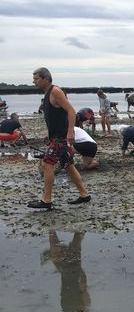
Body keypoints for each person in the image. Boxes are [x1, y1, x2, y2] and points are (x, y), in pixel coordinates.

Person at [28, 67, 91, 209]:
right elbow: (56, 117)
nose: (34, 81)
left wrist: (70, 132)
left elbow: (71, 111)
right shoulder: (47, 94)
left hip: (61, 138)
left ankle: (46, 200)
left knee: (47, 164)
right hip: (56, 136)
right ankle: (84, 195)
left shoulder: (55, 91)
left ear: (46, 78)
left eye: (36, 78)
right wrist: (49, 133)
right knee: (69, 166)